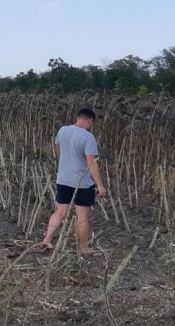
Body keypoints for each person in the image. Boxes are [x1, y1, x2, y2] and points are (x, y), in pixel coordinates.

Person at [40, 108, 108, 256]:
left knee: (60, 211)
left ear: (78, 118)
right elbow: (92, 162)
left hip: (63, 179)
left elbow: (58, 149)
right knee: (82, 215)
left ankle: (46, 238)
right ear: (90, 121)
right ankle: (84, 248)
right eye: (91, 123)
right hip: (81, 183)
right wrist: (100, 185)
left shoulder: (63, 130)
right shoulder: (88, 137)